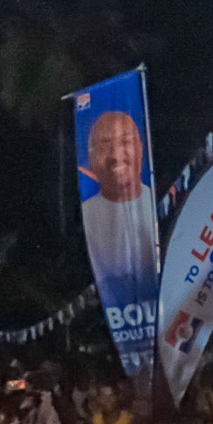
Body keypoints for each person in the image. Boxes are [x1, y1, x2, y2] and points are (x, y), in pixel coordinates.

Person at [79, 110, 157, 297]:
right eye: (104, 146)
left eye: (125, 142)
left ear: (140, 149)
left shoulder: (160, 204)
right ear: (91, 160)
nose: (116, 155)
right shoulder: (82, 219)